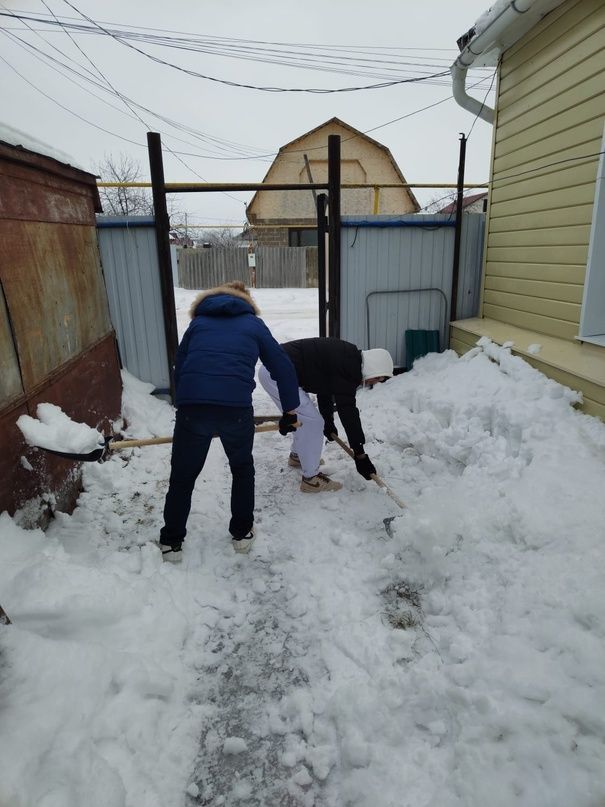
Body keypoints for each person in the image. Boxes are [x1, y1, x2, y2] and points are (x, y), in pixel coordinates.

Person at [159, 281, 300, 562]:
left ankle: (171, 542)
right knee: (242, 469)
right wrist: (289, 411)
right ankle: (241, 533)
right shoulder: (253, 324)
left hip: (193, 409)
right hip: (235, 409)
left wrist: (183, 400)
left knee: (183, 476)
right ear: (246, 301)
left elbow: (181, 363)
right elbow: (282, 366)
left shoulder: (198, 324)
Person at [258, 337, 393, 492]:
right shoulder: (350, 369)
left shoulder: (349, 358)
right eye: (377, 379)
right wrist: (360, 455)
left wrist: (329, 422)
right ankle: (311, 480)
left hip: (277, 370)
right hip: (276, 374)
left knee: (306, 418)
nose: (373, 383)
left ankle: (297, 456)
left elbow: (325, 389)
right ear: (374, 370)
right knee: (312, 423)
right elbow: (349, 414)